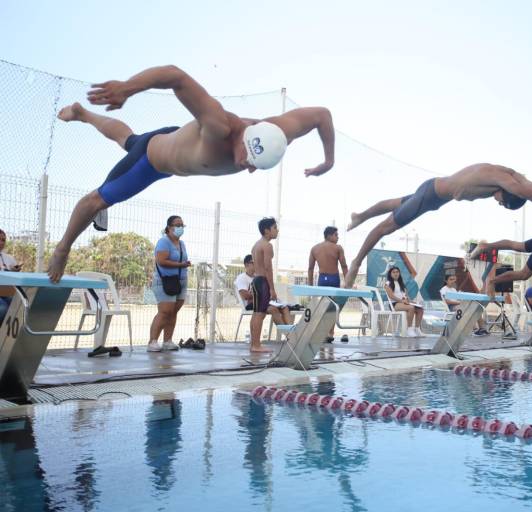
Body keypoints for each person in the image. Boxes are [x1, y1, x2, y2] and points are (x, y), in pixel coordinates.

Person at [49, 64, 336, 282]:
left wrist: (328, 161)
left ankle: (83, 114)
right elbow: (175, 75)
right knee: (96, 201)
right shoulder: (219, 126)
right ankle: (62, 249)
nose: (247, 168)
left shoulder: (278, 131)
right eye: (247, 160)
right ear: (243, 138)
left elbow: (322, 114)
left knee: (126, 138)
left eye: (254, 166)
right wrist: (127, 88)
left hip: (175, 146)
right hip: (151, 162)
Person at [343, 163, 532, 287]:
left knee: (394, 203)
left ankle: (361, 215)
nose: (498, 203)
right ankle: (356, 262)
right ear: (508, 193)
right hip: (431, 195)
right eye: (503, 203)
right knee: (385, 228)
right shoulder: (506, 182)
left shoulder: (513, 177)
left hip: (433, 195)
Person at [148, 216, 190, 352]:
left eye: (182, 225)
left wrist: (184, 265)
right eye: (177, 225)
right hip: (165, 281)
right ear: (169, 227)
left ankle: (168, 341)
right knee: (165, 312)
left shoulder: (182, 244)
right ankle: (152, 341)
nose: (180, 228)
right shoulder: (163, 242)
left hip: (181, 281)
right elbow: (161, 261)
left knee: (173, 312)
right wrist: (181, 264)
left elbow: (182, 260)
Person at [249, 217, 285, 353]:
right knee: (260, 314)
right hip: (262, 281)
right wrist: (272, 289)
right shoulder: (267, 246)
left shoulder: (256, 245)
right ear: (266, 230)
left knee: (256, 313)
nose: (277, 230)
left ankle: (254, 344)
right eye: (275, 228)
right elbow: (268, 268)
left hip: (256, 280)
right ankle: (256, 345)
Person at [308, 226, 349, 343]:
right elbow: (344, 266)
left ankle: (323, 332)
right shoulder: (338, 248)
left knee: (323, 307)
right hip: (333, 279)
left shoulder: (315, 248)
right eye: (336, 235)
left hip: (322, 280)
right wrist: (348, 282)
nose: (338, 237)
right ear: (329, 235)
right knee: (333, 307)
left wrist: (310, 286)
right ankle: (330, 333)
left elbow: (310, 268)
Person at [235, 254, 290, 339]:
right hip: (252, 303)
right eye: (254, 263)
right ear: (246, 265)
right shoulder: (242, 278)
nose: (257, 264)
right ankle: (289, 336)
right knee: (273, 309)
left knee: (285, 307)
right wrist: (262, 294)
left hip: (262, 301)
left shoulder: (258, 277)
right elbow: (245, 295)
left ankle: (290, 333)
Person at [384, 266, 424, 337]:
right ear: (390, 274)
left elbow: (406, 295)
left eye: (397, 272)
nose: (396, 274)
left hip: (403, 303)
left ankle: (417, 329)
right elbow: (391, 296)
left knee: (420, 309)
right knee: (411, 308)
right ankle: (409, 329)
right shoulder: (388, 283)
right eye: (393, 272)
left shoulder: (401, 283)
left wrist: (411, 301)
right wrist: (403, 301)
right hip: (394, 304)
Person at [0, 228, 21, 325]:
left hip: (7, 292)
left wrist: (14, 271)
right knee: (3, 308)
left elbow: (15, 276)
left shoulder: (9, 258)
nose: (1, 242)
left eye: (3, 240)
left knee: (19, 305)